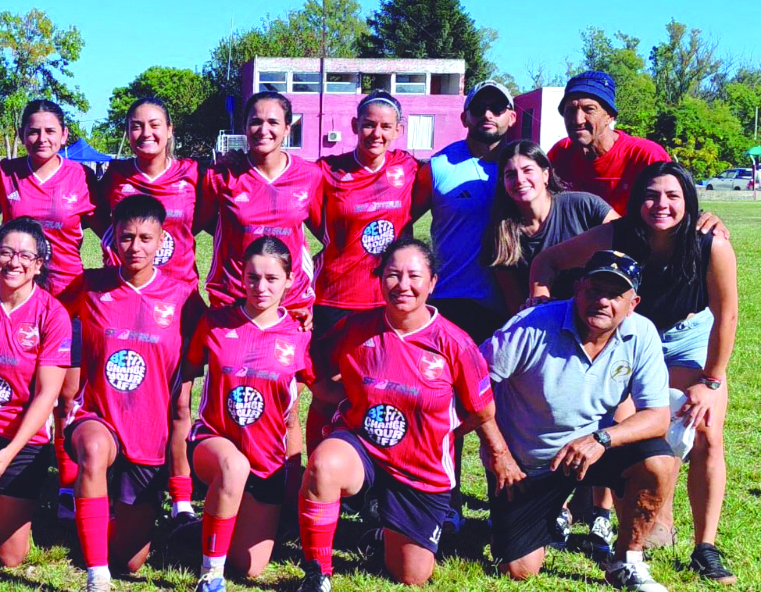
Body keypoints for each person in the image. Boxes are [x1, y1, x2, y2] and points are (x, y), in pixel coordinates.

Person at [530, 162, 739, 583]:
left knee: (706, 429)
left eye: (673, 196)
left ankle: (705, 546)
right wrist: (539, 299)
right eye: (651, 194)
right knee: (625, 427)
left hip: (688, 337)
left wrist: (711, 382)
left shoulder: (710, 244)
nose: (661, 204)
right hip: (630, 335)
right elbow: (547, 261)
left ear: (689, 201)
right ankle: (621, 534)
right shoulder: (617, 234)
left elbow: (728, 315)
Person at [295, 239, 502, 591]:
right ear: (379, 279)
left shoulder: (455, 343)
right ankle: (318, 573)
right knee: (323, 465)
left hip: (419, 466)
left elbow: (482, 410)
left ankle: (384, 530)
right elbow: (313, 362)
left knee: (411, 576)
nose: (402, 285)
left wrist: (444, 432)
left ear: (432, 282)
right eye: (392, 274)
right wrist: (299, 334)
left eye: (414, 276)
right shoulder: (356, 328)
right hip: (363, 448)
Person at [481, 250, 678, 592]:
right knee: (519, 569)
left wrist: (602, 439)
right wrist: (498, 453)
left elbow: (658, 417)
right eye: (594, 289)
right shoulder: (531, 324)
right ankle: (540, 519)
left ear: (633, 304)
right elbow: (472, 384)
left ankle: (626, 561)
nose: (602, 301)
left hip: (588, 453)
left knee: (659, 460)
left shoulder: (642, 333)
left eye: (615, 294)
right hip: (526, 466)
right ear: (578, 289)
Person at [67, 195, 206, 592]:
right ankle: (97, 574)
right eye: (127, 237)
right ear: (113, 238)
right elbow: (42, 308)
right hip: (97, 416)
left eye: (146, 238)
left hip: (149, 433)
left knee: (130, 559)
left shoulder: (183, 297)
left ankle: (103, 515)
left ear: (162, 240)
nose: (135, 247)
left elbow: (222, 329)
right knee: (93, 449)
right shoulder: (90, 286)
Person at [0, 98, 97, 513]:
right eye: (33, 130)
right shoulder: (5, 173)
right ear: (22, 135)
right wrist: (4, 251)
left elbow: (108, 227)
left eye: (50, 131)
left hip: (67, 301)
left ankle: (65, 484)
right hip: (17, 297)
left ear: (64, 135)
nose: (41, 138)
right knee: (9, 386)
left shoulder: (81, 176)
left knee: (66, 398)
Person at [179, 236, 311, 590]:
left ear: (289, 280)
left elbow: (291, 419)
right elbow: (186, 378)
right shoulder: (215, 322)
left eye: (271, 278)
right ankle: (211, 575)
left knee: (249, 566)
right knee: (233, 466)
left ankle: (204, 527)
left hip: (266, 461)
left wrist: (292, 488)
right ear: (241, 276)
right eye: (253, 277)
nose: (260, 287)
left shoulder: (299, 334)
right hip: (213, 443)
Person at [307, 92, 425, 448]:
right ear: (355, 125)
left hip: (387, 301)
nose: (377, 133)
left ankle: (372, 469)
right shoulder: (327, 171)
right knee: (327, 393)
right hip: (336, 299)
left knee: (383, 390)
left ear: (399, 130)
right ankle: (318, 466)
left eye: (386, 126)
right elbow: (309, 214)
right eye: (369, 125)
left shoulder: (409, 168)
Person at [0, 217, 73, 567]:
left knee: (8, 556)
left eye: (25, 255)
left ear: (39, 264)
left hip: (21, 440)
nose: (14, 262)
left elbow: (47, 395)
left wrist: (9, 452)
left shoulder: (52, 315)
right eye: (5, 253)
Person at [204, 90, 323, 317]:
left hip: (290, 304)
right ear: (245, 126)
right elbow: (194, 226)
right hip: (233, 300)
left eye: (273, 122)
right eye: (256, 122)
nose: (263, 129)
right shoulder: (222, 175)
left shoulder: (309, 175)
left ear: (287, 128)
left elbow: (330, 236)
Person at [424, 80, 517, 344]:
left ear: (512, 117)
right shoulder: (439, 166)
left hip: (511, 303)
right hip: (450, 298)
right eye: (478, 108)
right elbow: (403, 222)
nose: (487, 114)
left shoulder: (523, 167)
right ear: (464, 118)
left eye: (497, 108)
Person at [483, 139, 616, 314]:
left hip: (600, 312)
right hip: (544, 319)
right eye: (510, 174)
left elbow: (628, 240)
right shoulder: (500, 233)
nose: (520, 180)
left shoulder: (585, 206)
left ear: (546, 175)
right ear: (503, 182)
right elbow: (514, 303)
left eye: (528, 170)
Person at [93, 96, 208, 288]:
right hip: (124, 286)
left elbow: (205, 219)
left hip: (179, 288)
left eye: (154, 125)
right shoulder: (116, 174)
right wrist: (114, 238)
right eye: (137, 126)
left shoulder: (192, 172)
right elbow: (92, 214)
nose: (146, 133)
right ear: (128, 133)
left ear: (169, 130)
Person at [546, 70, 671, 215]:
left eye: (589, 109)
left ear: (610, 116)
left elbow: (673, 209)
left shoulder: (646, 156)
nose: (578, 120)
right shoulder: (561, 153)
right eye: (570, 110)